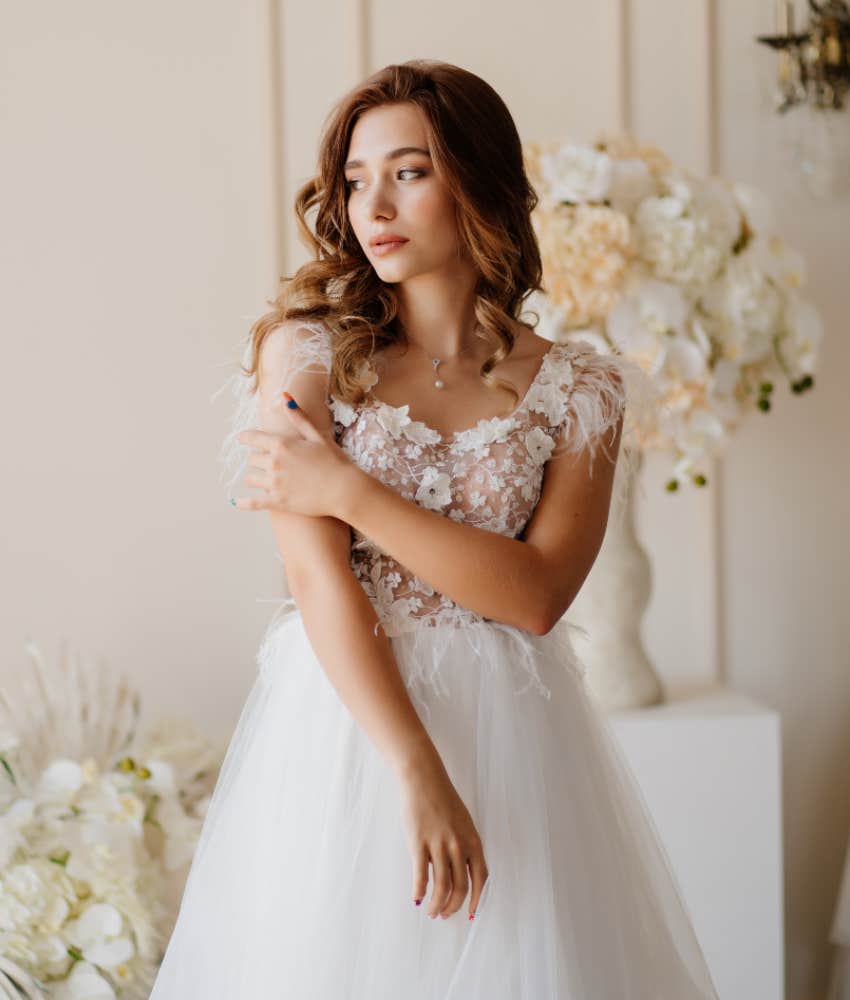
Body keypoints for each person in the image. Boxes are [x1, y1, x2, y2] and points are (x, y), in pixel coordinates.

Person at [150, 59, 720, 998]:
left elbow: (536, 597)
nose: (373, 204)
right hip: (346, 731)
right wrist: (416, 770)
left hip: (519, 739)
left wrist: (348, 488)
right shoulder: (305, 354)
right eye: (355, 179)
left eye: (408, 171)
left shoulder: (584, 389)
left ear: (477, 180)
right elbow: (318, 580)